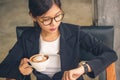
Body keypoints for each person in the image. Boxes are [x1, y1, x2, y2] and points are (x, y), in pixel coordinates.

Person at [0, 0, 118, 80]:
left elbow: (110, 54)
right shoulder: (27, 37)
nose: (54, 23)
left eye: (58, 16)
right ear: (33, 17)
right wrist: (19, 69)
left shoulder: (74, 32)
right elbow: (3, 68)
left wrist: (84, 68)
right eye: (46, 19)